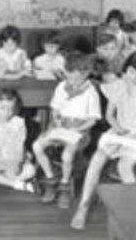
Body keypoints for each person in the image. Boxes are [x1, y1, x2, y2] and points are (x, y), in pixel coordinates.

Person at [71, 51, 136, 230]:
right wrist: (118, 128)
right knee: (97, 158)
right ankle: (83, 206)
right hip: (120, 133)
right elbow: (109, 115)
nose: (133, 77)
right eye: (130, 71)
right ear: (125, 68)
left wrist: (130, 136)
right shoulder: (118, 86)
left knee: (124, 166)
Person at [32, 52, 101, 209]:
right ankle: (50, 179)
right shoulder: (61, 86)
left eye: (77, 79)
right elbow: (55, 108)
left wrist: (77, 128)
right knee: (37, 146)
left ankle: (64, 185)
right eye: (69, 77)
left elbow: (93, 120)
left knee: (67, 154)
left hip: (80, 131)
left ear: (86, 74)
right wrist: (56, 119)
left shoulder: (91, 92)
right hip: (60, 126)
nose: (72, 82)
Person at [0, 88, 37, 193]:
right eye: (2, 108)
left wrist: (17, 164)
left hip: (11, 161)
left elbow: (20, 148)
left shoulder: (18, 123)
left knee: (31, 169)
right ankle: (16, 184)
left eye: (11, 109)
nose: (7, 113)